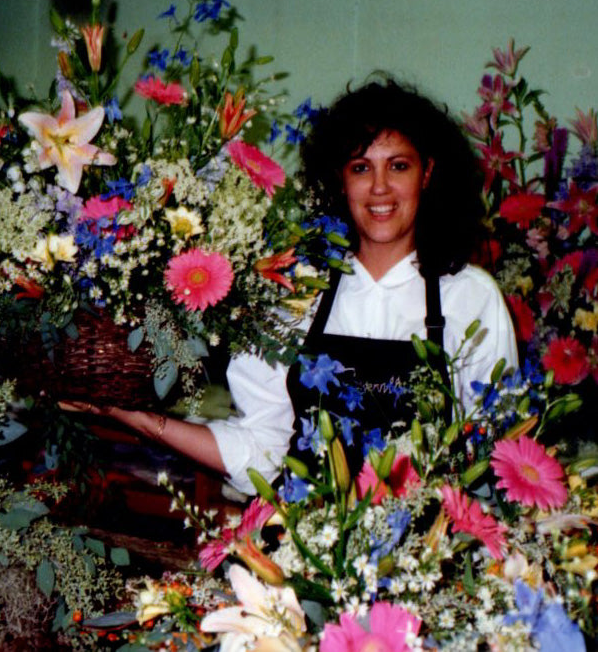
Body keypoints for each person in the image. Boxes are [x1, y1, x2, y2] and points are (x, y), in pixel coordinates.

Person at [60, 77, 519, 497]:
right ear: (339, 180)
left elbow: (498, 456)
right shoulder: (294, 295)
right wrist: (131, 416)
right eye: (361, 167)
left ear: (428, 173)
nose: (380, 188)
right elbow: (262, 449)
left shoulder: (470, 298)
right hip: (304, 552)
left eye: (397, 166)